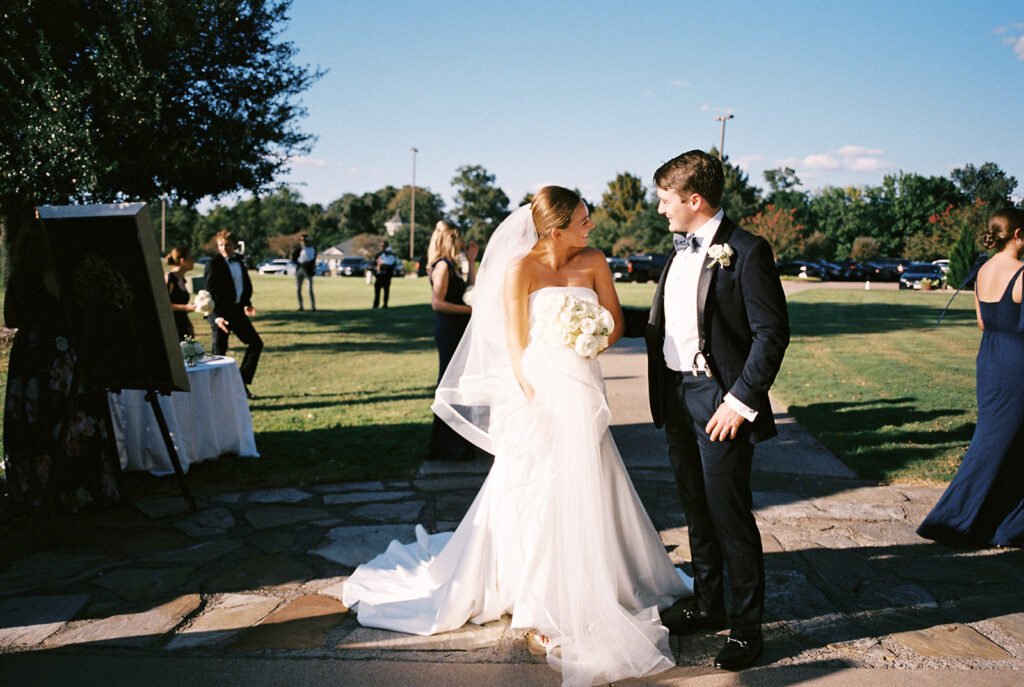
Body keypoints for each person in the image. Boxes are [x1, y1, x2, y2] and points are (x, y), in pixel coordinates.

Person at [343, 187, 692, 687]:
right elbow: (513, 338)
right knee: (537, 486)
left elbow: (613, 322)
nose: (591, 227)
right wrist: (529, 385)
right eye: (583, 220)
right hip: (540, 388)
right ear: (556, 227)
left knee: (589, 477)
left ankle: (603, 574)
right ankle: (537, 591)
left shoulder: (593, 260)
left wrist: (592, 335)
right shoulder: (519, 269)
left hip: (582, 382)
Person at [638, 150, 789, 671]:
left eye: (664, 201)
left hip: (719, 399)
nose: (660, 210)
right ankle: (708, 603)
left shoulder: (746, 251)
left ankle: (748, 631)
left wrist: (740, 401)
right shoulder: (677, 252)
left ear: (693, 200)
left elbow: (772, 334)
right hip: (676, 397)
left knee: (730, 514)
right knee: (694, 507)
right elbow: (672, 321)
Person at [917, 208, 1024, 548]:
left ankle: (1004, 526)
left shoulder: (981, 272)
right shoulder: (1022, 274)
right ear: (1019, 235)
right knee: (992, 444)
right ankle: (950, 521)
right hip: (1016, 363)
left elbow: (982, 322)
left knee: (1008, 443)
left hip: (990, 359)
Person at [2, 224, 121, 517]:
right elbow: (69, 309)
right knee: (63, 416)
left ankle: (34, 488)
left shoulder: (18, 277)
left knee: (33, 417)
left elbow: (10, 317)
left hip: (27, 355)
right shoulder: (53, 273)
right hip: (55, 353)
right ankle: (69, 489)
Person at [426, 221, 478, 461]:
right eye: (459, 238)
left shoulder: (453, 265)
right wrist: (471, 311)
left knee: (458, 384)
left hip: (458, 328)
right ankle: (445, 445)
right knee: (448, 383)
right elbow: (437, 303)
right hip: (449, 329)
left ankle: (458, 442)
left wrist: (471, 260)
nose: (462, 242)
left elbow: (469, 288)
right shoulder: (443, 267)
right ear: (451, 239)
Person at [203, 229, 262, 399]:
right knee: (218, 354)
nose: (224, 248)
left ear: (234, 245)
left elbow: (244, 286)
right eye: (221, 245)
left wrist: (246, 304)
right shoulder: (213, 264)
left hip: (237, 312)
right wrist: (216, 317)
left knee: (256, 344)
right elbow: (209, 293)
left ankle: (240, 384)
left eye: (227, 245)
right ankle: (214, 394)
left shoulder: (239, 262)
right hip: (220, 315)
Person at [165, 246, 197, 340]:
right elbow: (163, 305)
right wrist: (186, 307)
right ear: (182, 260)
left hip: (183, 325)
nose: (193, 261)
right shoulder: (169, 279)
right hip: (171, 327)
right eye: (191, 258)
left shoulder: (182, 279)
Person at [290, 233, 317, 311]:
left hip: (308, 270)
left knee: (310, 289)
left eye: (304, 240)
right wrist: (299, 263)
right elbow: (293, 257)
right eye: (301, 240)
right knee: (298, 289)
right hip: (300, 269)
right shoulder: (299, 249)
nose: (303, 242)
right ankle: (301, 306)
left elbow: (313, 259)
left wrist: (309, 264)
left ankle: (313, 306)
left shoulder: (312, 249)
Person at [372, 241, 398, 308]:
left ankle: (385, 304)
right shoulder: (378, 255)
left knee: (386, 291)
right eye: (381, 246)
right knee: (377, 291)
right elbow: (375, 264)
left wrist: (383, 265)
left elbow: (392, 265)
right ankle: (376, 304)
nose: (382, 247)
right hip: (379, 276)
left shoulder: (392, 255)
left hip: (387, 276)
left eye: (384, 246)